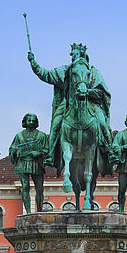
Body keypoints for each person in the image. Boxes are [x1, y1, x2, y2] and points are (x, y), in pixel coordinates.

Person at [27, 43, 117, 171]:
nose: (72, 56)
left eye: (74, 53)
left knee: (102, 123)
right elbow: (45, 74)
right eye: (72, 54)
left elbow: (102, 93)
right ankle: (51, 154)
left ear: (81, 54)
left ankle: (110, 151)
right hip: (68, 103)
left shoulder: (93, 72)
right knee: (56, 124)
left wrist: (88, 92)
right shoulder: (64, 71)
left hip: (91, 103)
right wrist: (33, 63)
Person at [9, 113, 48, 213]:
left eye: (33, 121)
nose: (31, 122)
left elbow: (47, 150)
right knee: (25, 187)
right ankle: (28, 212)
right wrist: (15, 150)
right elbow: (12, 149)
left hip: (36, 163)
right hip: (23, 162)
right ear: (25, 122)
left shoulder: (41, 135)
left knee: (39, 188)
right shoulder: (19, 136)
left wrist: (38, 153)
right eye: (29, 120)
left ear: (36, 123)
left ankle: (39, 210)